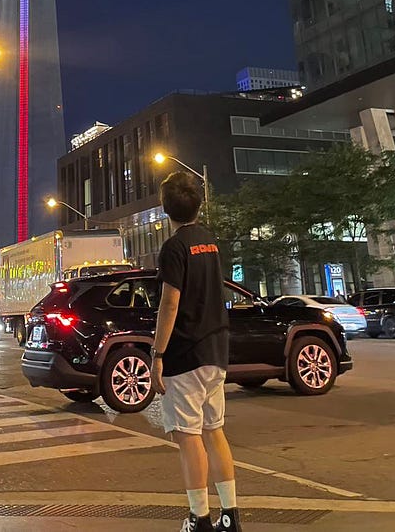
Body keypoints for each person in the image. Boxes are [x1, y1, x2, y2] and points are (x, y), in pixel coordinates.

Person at [151, 170, 239, 532]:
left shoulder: (174, 248)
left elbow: (170, 304)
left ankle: (199, 517)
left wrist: (157, 355)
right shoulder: (211, 241)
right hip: (216, 350)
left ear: (166, 208)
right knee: (214, 430)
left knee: (188, 437)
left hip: (185, 354)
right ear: (199, 204)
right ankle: (230, 516)